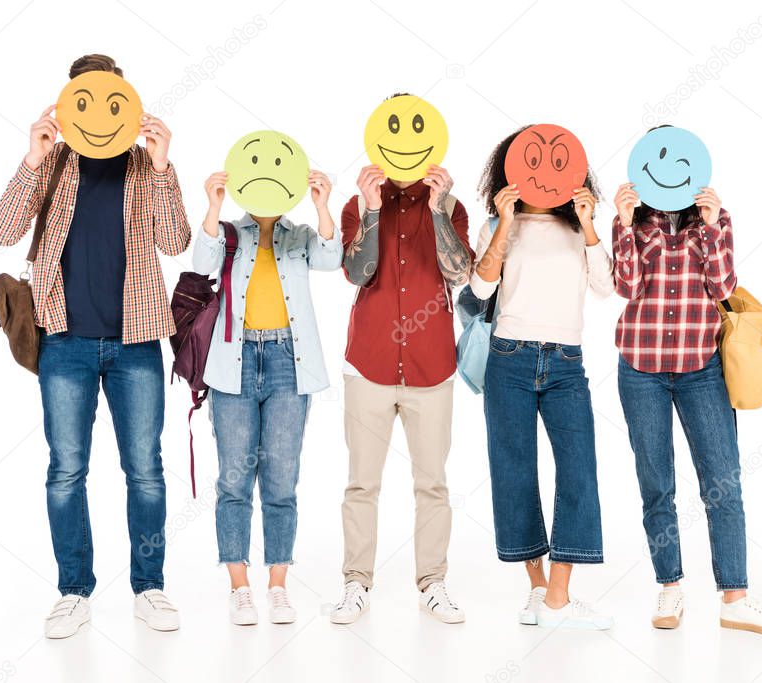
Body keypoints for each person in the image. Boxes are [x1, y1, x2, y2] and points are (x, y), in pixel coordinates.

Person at [0, 54, 190, 638]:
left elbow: (176, 240)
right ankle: (74, 591)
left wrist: (161, 164)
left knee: (146, 472)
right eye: (85, 100)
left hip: (135, 345)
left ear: (125, 103)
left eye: (110, 100)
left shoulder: (141, 166)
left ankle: (149, 586)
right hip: (65, 343)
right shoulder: (51, 164)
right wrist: (33, 156)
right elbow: (2, 231)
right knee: (65, 472)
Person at [612, 164, 762, 637]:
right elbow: (626, 288)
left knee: (723, 482)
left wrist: (712, 228)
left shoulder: (716, 219)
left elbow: (724, 287)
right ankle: (670, 586)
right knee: (657, 483)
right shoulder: (632, 220)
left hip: (701, 369)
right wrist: (623, 220)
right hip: (641, 370)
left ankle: (734, 598)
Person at [331, 96, 474, 625]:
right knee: (361, 483)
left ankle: (432, 583)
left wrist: (439, 212)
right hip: (368, 365)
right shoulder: (357, 204)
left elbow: (459, 272)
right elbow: (357, 273)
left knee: (432, 482)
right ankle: (355, 584)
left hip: (431, 367)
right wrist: (371, 210)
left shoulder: (450, 207)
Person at [471, 128, 615, 629]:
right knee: (514, 469)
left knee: (579, 470)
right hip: (508, 357)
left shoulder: (580, 226)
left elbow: (605, 287)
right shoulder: (498, 222)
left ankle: (559, 595)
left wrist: (590, 223)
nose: (544, 169)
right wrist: (505, 223)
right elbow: (480, 283)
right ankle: (536, 589)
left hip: (566, 362)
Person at [192, 164, 342, 626]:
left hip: (287, 363)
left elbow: (331, 258)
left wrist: (321, 206)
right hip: (233, 363)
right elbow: (200, 266)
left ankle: (277, 586)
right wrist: (213, 207)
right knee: (233, 480)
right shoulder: (230, 233)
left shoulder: (297, 236)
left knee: (281, 478)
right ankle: (240, 587)